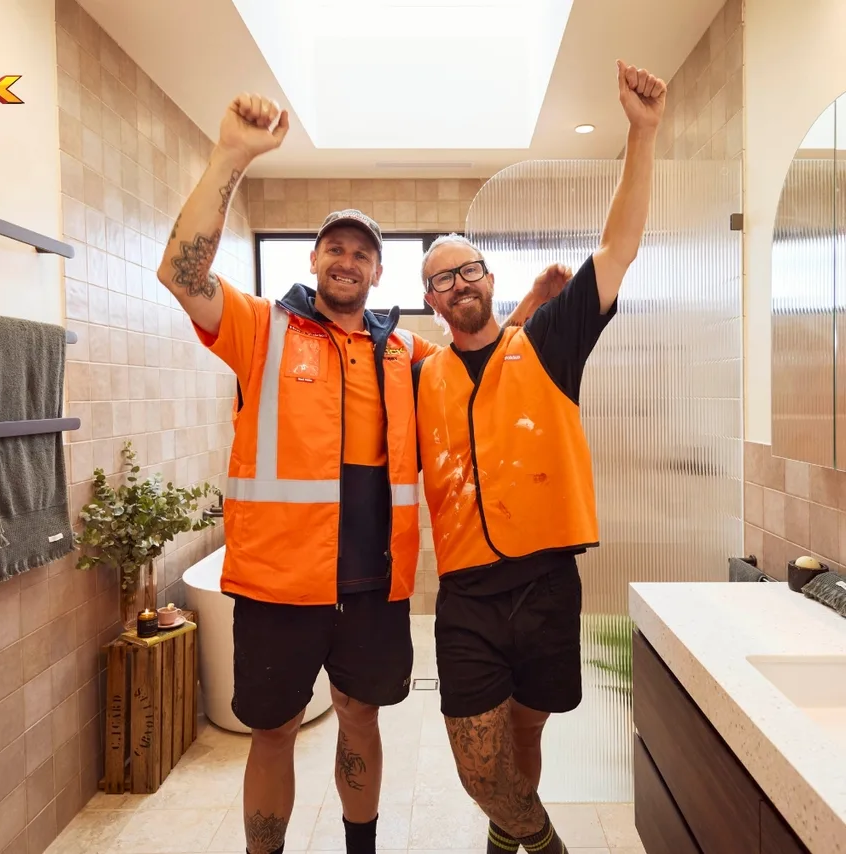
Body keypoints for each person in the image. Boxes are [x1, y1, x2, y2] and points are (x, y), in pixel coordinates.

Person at [155, 92, 443, 854]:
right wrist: (232, 155)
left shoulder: (404, 352)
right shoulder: (263, 329)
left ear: (378, 271)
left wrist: (527, 318)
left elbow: (480, 377)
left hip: (374, 588)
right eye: (334, 249)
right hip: (278, 586)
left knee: (360, 716)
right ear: (314, 260)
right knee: (274, 730)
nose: (346, 260)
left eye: (360, 252)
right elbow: (181, 272)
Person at [412, 60, 667, 854]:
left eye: (467, 268)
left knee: (528, 726)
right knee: (474, 752)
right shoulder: (419, 372)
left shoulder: (551, 343)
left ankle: (505, 837)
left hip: (550, 582)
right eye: (440, 277)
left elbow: (618, 248)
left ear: (488, 278)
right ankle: (544, 841)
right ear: (430, 302)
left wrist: (642, 131)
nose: (457, 282)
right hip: (467, 594)